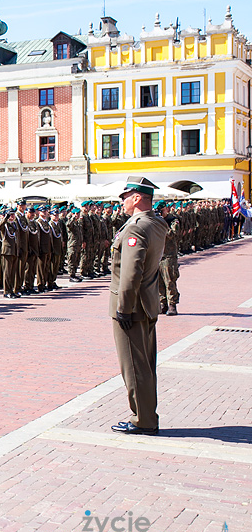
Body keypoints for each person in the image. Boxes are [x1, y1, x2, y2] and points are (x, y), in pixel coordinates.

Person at [110, 177, 168, 436]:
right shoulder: (156, 223)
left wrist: (123, 307)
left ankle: (143, 419)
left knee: (133, 365)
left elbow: (131, 272)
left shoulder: (136, 227)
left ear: (136, 198)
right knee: (145, 364)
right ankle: (147, 414)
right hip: (147, 303)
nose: (121, 201)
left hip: (132, 305)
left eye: (125, 196)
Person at [156, 201, 181, 316]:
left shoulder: (173, 220)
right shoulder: (156, 221)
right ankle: (163, 303)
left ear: (166, 209)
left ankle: (172, 304)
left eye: (161, 210)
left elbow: (172, 234)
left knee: (169, 281)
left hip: (169, 256)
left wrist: (162, 224)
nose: (160, 213)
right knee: (159, 281)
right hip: (158, 255)